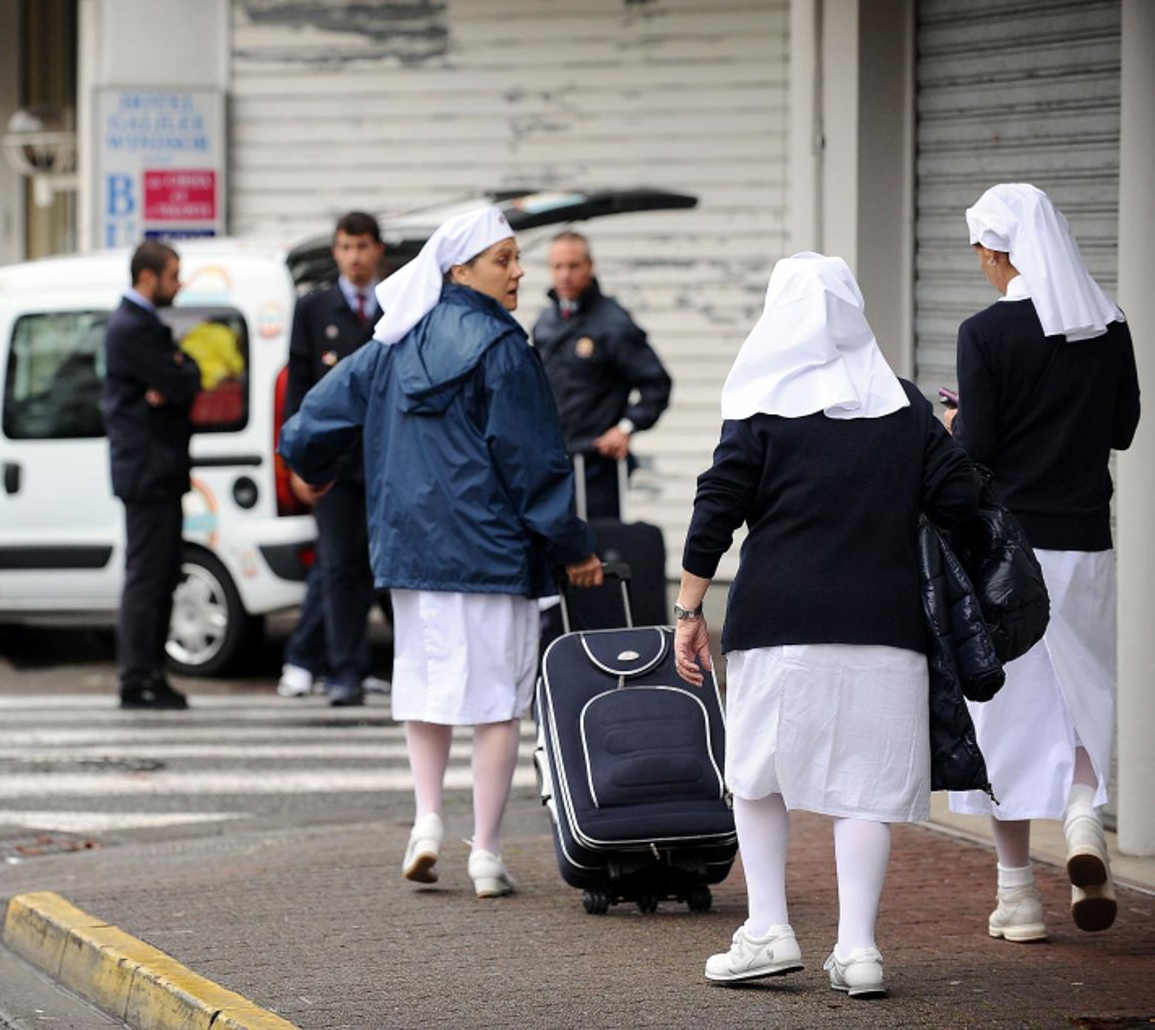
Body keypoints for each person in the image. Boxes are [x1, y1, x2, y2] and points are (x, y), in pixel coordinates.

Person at [676, 253, 982, 999]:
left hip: (777, 618)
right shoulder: (901, 404)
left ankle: (768, 931)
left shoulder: (761, 401)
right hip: (886, 623)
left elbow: (716, 506)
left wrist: (688, 610)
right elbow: (960, 502)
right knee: (865, 790)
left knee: (757, 776)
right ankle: (859, 950)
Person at [280, 206, 603, 897]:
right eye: (503, 259)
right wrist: (572, 546)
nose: (519, 272)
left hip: (410, 553)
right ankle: (485, 852)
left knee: (424, 694)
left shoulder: (395, 339)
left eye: (517, 258)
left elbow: (313, 419)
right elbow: (535, 464)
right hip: (491, 555)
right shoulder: (503, 347)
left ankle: (426, 821)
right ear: (460, 269)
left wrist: (313, 464)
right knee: (496, 706)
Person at [945, 183, 1140, 939]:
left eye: (981, 252)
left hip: (1007, 550)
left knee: (1009, 712)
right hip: (1086, 543)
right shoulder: (1108, 321)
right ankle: (1084, 817)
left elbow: (978, 451)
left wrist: (956, 422)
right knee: (1084, 690)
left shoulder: (985, 333)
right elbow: (1122, 429)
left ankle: (1018, 896)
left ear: (997, 252)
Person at [278, 211, 387, 706]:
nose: (354, 257)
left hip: (386, 461)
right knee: (339, 566)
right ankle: (342, 671)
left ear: (377, 249)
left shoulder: (396, 304)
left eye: (362, 246)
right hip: (336, 465)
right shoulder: (314, 308)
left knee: (379, 567)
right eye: (345, 247)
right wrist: (298, 461)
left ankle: (351, 664)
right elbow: (299, 388)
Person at [102, 240, 201, 711]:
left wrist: (180, 374)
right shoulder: (132, 327)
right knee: (147, 578)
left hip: (158, 470)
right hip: (148, 471)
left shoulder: (143, 324)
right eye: (173, 275)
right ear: (148, 277)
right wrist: (177, 376)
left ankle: (151, 674)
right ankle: (137, 677)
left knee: (162, 576)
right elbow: (181, 382)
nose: (178, 284)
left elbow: (186, 377)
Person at [531, 231, 672, 518]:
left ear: (590, 266)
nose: (565, 275)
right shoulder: (545, 322)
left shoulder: (613, 323)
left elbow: (657, 384)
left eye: (573, 265)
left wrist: (625, 428)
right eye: (557, 266)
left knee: (599, 543)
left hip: (597, 467)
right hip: (552, 464)